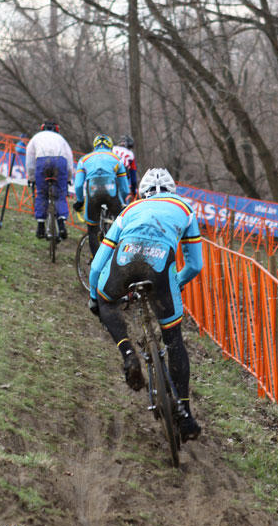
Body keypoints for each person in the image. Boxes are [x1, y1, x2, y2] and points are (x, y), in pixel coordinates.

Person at [87, 168, 204, 442]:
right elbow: (195, 265)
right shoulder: (185, 209)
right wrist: (177, 282)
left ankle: (128, 353)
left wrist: (94, 298)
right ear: (173, 191)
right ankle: (185, 414)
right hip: (160, 267)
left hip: (125, 261)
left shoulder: (130, 209)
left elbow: (96, 265)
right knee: (173, 339)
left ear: (142, 193)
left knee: (106, 301)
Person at [73, 133, 130, 256]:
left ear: (95, 146)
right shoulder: (117, 159)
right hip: (112, 195)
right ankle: (121, 255)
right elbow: (125, 188)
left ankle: (96, 260)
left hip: (93, 193)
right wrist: (123, 201)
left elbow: (78, 185)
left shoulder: (84, 160)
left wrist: (80, 201)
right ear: (110, 146)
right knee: (122, 225)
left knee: (92, 230)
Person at [25, 121, 74, 240]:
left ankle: (40, 226)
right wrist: (68, 178)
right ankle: (61, 225)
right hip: (60, 161)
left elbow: (30, 159)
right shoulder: (61, 139)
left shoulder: (36, 137)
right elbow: (69, 159)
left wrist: (31, 178)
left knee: (42, 194)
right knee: (60, 195)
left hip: (42, 161)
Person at [112, 134, 138, 200]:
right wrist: (134, 189)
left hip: (110, 175)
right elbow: (133, 174)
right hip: (123, 176)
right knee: (126, 197)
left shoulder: (113, 149)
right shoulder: (130, 153)